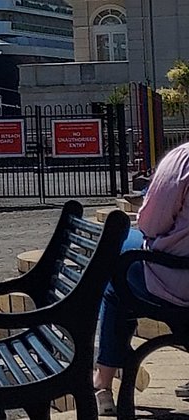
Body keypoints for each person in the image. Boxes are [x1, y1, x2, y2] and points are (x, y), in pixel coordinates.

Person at [92, 141, 189, 415]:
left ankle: (103, 381)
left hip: (176, 281)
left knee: (116, 279)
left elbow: (149, 224)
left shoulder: (183, 159)